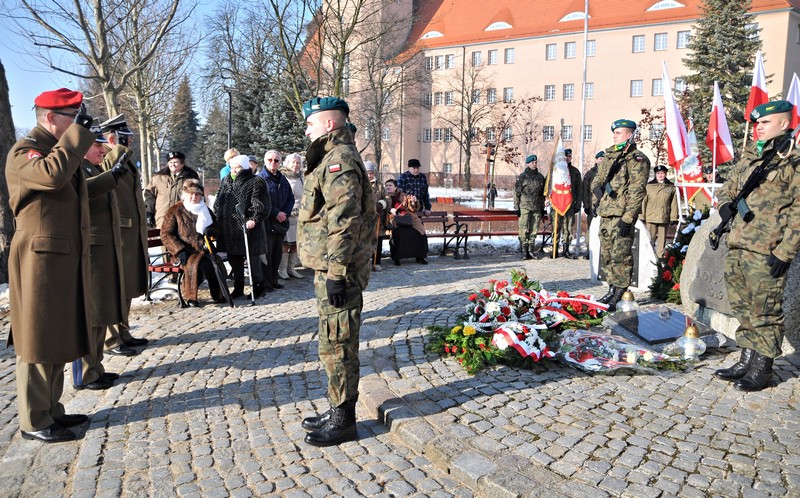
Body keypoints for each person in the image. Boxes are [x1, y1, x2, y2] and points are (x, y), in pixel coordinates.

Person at [6, 88, 96, 442]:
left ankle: (51, 410)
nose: (76, 125)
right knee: (36, 337)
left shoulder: (59, 151)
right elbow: (51, 176)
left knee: (56, 334)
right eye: (71, 118)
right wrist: (77, 136)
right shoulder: (24, 152)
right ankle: (33, 421)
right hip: (37, 260)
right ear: (49, 118)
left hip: (59, 258)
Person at [297, 96, 377, 446]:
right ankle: (336, 407)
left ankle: (344, 420)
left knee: (340, 342)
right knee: (331, 341)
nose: (307, 128)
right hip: (330, 266)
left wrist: (336, 274)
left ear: (330, 124)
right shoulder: (330, 157)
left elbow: (344, 222)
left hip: (337, 270)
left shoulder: (339, 160)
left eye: (311, 122)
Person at [713, 100, 800, 392]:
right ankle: (747, 360)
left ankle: (762, 369)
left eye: (765, 122)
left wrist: (785, 252)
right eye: (757, 123)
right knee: (743, 306)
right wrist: (726, 204)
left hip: (768, 248)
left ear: (785, 124)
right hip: (738, 243)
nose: (758, 127)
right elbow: (728, 186)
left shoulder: (793, 161)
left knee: (765, 310)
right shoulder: (751, 155)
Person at [72, 132, 129, 391]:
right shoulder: (77, 168)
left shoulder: (91, 167)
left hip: (103, 248)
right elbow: (86, 197)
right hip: (92, 249)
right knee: (93, 313)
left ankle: (95, 367)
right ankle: (85, 371)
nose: (102, 151)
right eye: (97, 146)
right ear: (83, 146)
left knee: (102, 311)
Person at [99, 114, 149, 356]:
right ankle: (111, 339)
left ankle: (123, 332)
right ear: (112, 139)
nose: (128, 143)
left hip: (130, 232)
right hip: (120, 231)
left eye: (127, 139)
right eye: (123, 139)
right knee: (116, 286)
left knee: (127, 285)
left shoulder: (124, 160)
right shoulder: (110, 158)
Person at [591, 119, 650, 311]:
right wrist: (596, 194)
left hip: (621, 215)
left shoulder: (637, 159)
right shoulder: (609, 156)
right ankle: (611, 288)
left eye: (618, 132)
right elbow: (597, 179)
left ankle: (621, 292)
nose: (614, 135)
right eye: (614, 132)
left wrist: (628, 217)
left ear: (629, 135)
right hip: (606, 212)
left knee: (621, 256)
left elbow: (637, 190)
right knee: (607, 254)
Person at [214, 154, 269, 299]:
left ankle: (258, 287)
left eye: (237, 167)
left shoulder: (256, 182)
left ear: (244, 168)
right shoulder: (226, 180)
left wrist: (254, 219)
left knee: (252, 260)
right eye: (232, 167)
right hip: (229, 229)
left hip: (248, 229)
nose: (233, 170)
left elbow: (262, 205)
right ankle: (238, 287)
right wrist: (217, 211)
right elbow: (219, 199)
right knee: (234, 259)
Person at [160, 180, 224, 307]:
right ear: (185, 194)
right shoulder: (175, 210)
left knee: (213, 263)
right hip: (184, 251)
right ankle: (191, 297)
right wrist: (179, 250)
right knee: (194, 265)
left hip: (204, 248)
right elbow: (166, 234)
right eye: (191, 194)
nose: (194, 197)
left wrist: (212, 230)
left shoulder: (205, 210)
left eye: (197, 194)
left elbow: (217, 228)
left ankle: (219, 294)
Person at [260, 150, 295, 290]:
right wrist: (276, 213)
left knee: (277, 253)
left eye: (276, 160)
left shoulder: (282, 178)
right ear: (265, 161)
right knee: (267, 254)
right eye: (270, 160)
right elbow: (262, 200)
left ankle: (274, 279)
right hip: (267, 222)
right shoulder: (260, 179)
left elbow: (290, 198)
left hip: (281, 222)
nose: (273, 163)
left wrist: (284, 213)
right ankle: (266, 282)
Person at [145, 150, 200, 228]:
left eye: (175, 162)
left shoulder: (191, 176)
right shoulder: (158, 177)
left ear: (182, 163)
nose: (172, 165)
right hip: (162, 219)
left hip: (184, 220)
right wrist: (149, 212)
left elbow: (199, 196)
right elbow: (149, 195)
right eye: (170, 162)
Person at [385, 178, 429, 265]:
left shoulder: (403, 195)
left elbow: (412, 208)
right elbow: (382, 208)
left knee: (420, 232)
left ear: (395, 187)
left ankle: (420, 257)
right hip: (394, 221)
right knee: (398, 233)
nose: (388, 187)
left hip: (409, 219)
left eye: (390, 185)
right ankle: (396, 258)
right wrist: (390, 210)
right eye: (386, 186)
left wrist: (414, 202)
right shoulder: (384, 196)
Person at [550, 148, 582, 259]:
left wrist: (578, 205)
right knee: (556, 227)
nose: (567, 158)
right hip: (556, 203)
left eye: (569, 156)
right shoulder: (555, 170)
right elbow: (549, 186)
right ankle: (554, 249)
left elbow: (579, 189)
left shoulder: (575, 172)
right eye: (566, 156)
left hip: (570, 204)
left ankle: (566, 249)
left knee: (568, 228)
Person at [514, 154, 546, 260]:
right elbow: (517, 193)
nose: (534, 164)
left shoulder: (540, 177)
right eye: (532, 162)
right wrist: (516, 208)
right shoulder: (522, 177)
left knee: (534, 229)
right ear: (528, 163)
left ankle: (531, 250)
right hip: (524, 206)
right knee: (523, 228)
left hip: (536, 206)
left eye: (536, 162)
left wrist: (542, 207)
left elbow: (542, 194)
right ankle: (524, 250)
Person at [641, 164, 678, 257]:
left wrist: (673, 217)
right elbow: (644, 201)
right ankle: (648, 257)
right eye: (658, 173)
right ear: (655, 174)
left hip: (663, 217)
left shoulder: (670, 187)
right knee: (650, 239)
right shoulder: (649, 186)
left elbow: (674, 203)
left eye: (662, 173)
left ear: (665, 174)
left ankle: (660, 259)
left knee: (662, 241)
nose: (660, 175)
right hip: (651, 217)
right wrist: (642, 216)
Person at [281, 153, 305, 279]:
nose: (296, 165)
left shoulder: (301, 177)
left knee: (296, 243)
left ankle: (292, 268)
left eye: (298, 163)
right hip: (288, 214)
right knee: (286, 243)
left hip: (300, 214)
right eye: (293, 162)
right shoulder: (284, 177)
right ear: (287, 163)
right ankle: (282, 269)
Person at [582, 151, 604, 259]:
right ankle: (589, 249)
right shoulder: (590, 174)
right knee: (591, 229)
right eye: (600, 159)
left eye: (603, 159)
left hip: (605, 206)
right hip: (592, 206)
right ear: (596, 160)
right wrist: (586, 205)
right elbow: (585, 190)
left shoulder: (608, 172)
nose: (602, 161)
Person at [366, 161, 388, 270]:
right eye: (367, 173)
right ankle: (365, 263)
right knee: (365, 241)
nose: (369, 175)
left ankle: (377, 262)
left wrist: (382, 204)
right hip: (365, 219)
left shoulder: (379, 185)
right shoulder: (361, 184)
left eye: (371, 173)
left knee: (378, 241)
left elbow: (387, 198)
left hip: (378, 218)